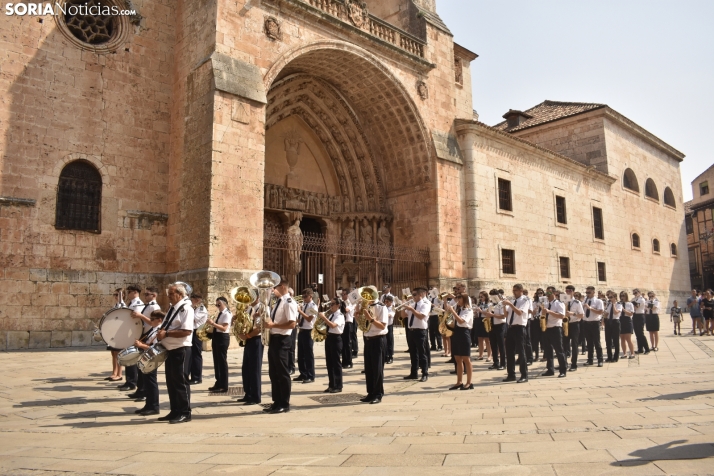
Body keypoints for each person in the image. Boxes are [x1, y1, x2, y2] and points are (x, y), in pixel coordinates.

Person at [156, 283, 194, 424]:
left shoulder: (186, 309)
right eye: (169, 294)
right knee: (171, 382)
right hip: (170, 350)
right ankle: (175, 410)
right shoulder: (174, 308)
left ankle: (185, 412)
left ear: (180, 294)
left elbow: (187, 331)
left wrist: (166, 333)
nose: (169, 297)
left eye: (171, 294)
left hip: (181, 349)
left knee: (180, 382)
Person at [264, 276, 297, 414]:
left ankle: (284, 403)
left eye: (275, 287)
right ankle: (276, 401)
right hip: (275, 339)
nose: (273, 290)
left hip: (283, 339)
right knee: (274, 372)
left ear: (282, 287)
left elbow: (292, 324)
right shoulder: (279, 302)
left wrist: (274, 325)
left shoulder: (289, 302)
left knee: (282, 372)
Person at [127, 287, 161, 400]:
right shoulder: (148, 305)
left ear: (154, 295)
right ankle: (140, 389)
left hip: (149, 336)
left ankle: (143, 391)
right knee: (140, 366)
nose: (145, 296)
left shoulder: (154, 307)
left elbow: (153, 322)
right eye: (145, 294)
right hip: (145, 335)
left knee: (145, 368)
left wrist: (140, 316)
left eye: (147, 294)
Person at [131, 310, 165, 416]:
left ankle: (154, 406)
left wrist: (141, 346)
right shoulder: (154, 328)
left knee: (151, 382)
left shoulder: (159, 330)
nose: (150, 321)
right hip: (147, 357)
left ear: (159, 320)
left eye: (152, 319)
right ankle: (148, 405)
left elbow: (156, 348)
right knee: (147, 382)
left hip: (153, 357)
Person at [359, 294, 389, 404]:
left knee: (377, 368)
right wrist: (359, 314)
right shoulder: (366, 307)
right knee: (369, 368)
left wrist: (370, 319)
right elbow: (361, 323)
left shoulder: (382, 307)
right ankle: (370, 392)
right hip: (368, 339)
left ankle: (378, 394)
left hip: (378, 339)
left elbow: (382, 326)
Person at [236, 292, 264, 405]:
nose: (249, 299)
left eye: (251, 297)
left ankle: (255, 396)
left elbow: (259, 328)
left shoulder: (261, 309)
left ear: (257, 298)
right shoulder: (249, 309)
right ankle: (248, 393)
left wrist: (247, 335)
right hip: (248, 340)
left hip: (256, 340)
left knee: (254, 369)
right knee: (246, 368)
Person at [502, 284, 530, 383]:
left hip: (519, 328)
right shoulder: (513, 301)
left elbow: (519, 312)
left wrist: (510, 304)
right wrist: (504, 306)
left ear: (521, 290)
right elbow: (506, 315)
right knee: (509, 352)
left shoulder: (525, 300)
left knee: (521, 352)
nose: (514, 292)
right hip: (510, 328)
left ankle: (524, 375)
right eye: (513, 290)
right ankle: (511, 374)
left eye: (516, 290)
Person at [446, 293, 474, 390]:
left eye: (459, 298)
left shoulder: (468, 310)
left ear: (464, 299)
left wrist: (453, 312)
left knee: (466, 359)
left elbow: (462, 321)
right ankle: (459, 382)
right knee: (458, 359)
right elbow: (455, 323)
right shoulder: (459, 310)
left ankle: (469, 382)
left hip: (464, 333)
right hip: (457, 333)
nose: (457, 300)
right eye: (457, 298)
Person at [119, 285, 144, 391]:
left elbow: (134, 318)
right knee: (129, 356)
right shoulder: (132, 303)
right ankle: (129, 381)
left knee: (132, 358)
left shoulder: (138, 304)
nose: (128, 295)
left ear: (135, 292)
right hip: (130, 333)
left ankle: (132, 382)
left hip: (134, 333)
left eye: (129, 292)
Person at [402, 287, 430, 382]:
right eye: (412, 295)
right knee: (413, 353)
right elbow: (403, 315)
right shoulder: (413, 304)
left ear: (420, 295)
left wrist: (412, 309)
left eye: (414, 295)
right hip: (411, 331)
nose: (412, 297)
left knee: (422, 353)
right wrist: (403, 306)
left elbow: (421, 316)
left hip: (420, 331)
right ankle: (414, 373)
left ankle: (425, 373)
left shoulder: (425, 304)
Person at [206, 297, 232, 392]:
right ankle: (218, 382)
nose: (217, 307)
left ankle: (224, 385)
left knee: (222, 362)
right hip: (217, 337)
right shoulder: (220, 313)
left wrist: (212, 323)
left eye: (219, 304)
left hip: (222, 338)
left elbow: (224, 328)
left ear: (224, 303)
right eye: (216, 305)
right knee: (216, 361)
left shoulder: (227, 314)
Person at [540, 289, 567, 378]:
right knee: (548, 351)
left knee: (559, 350)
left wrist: (549, 312)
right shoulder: (546, 304)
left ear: (555, 293)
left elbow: (562, 316)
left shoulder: (559, 303)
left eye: (549, 293)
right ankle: (550, 369)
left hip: (556, 329)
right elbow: (542, 315)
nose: (547, 294)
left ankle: (563, 370)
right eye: (546, 293)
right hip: (547, 329)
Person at [320, 299, 345, 394]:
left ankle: (338, 385)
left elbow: (333, 325)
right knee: (329, 363)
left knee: (336, 363)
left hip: (336, 339)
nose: (331, 306)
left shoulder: (340, 316)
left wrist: (323, 318)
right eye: (330, 304)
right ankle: (332, 384)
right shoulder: (331, 314)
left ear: (338, 305)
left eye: (333, 304)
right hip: (329, 338)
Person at [295, 288, 317, 384]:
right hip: (302, 330)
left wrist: (300, 311)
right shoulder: (304, 305)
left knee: (308, 354)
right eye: (303, 296)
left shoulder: (313, 306)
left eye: (305, 296)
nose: (303, 298)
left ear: (310, 296)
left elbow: (309, 319)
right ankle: (303, 373)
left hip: (309, 331)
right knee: (301, 354)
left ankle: (310, 375)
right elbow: (301, 319)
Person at [481, 293, 506, 370]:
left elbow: (503, 316)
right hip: (492, 326)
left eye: (494, 296)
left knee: (501, 345)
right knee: (493, 345)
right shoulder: (491, 304)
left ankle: (503, 363)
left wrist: (492, 315)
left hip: (500, 326)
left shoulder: (501, 304)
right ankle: (495, 362)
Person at [106, 288, 125, 382]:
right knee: (113, 353)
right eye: (114, 295)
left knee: (118, 353)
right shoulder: (115, 305)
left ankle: (119, 373)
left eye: (117, 295)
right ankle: (114, 372)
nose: (115, 297)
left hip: (119, 332)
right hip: (114, 332)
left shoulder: (122, 305)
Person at [188, 292, 208, 385]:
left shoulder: (201, 308)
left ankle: (197, 377)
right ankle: (191, 375)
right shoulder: (195, 308)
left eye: (192, 300)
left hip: (197, 332)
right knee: (191, 355)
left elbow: (194, 318)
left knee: (196, 355)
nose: (191, 302)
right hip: (192, 332)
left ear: (197, 300)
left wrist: (190, 308)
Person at [582, 286, 604, 367]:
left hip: (594, 323)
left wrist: (590, 308)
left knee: (597, 343)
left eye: (589, 292)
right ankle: (590, 359)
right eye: (586, 292)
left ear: (593, 292)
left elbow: (600, 312)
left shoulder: (598, 301)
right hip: (586, 323)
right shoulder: (585, 300)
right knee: (589, 343)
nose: (587, 294)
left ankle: (600, 360)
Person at [564, 287, 584, 371]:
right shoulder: (563, 301)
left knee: (574, 345)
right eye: (567, 290)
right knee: (564, 344)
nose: (568, 292)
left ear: (573, 292)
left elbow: (581, 315)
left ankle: (574, 364)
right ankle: (564, 363)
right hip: (565, 324)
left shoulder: (577, 302)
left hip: (574, 324)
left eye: (570, 291)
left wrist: (573, 314)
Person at [604, 291, 622, 363]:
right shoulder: (608, 304)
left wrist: (614, 304)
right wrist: (604, 320)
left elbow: (615, 312)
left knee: (616, 340)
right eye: (609, 297)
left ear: (615, 297)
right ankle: (609, 356)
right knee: (608, 340)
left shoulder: (619, 304)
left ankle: (616, 357)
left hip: (615, 322)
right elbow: (606, 313)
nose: (609, 298)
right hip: (608, 322)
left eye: (611, 297)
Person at [474, 292, 492, 362]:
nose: (480, 298)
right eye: (480, 297)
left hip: (485, 321)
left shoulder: (489, 304)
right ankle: (480, 355)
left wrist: (481, 311)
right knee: (480, 339)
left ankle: (489, 355)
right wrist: (476, 313)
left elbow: (488, 313)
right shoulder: (479, 304)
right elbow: (478, 314)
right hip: (479, 321)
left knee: (487, 340)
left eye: (482, 297)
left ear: (486, 297)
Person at [632, 289, 650, 354]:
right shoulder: (634, 299)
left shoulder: (641, 299)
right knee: (637, 333)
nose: (635, 294)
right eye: (634, 293)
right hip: (635, 316)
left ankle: (647, 349)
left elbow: (636, 306)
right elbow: (632, 307)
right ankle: (640, 349)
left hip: (640, 316)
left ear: (639, 292)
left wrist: (633, 303)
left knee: (641, 333)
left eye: (636, 293)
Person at [619, 291, 636, 359]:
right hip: (620, 320)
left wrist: (624, 310)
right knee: (622, 338)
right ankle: (624, 353)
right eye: (621, 296)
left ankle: (632, 353)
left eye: (623, 296)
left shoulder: (630, 304)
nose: (622, 297)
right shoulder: (618, 304)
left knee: (628, 338)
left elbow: (631, 314)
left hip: (627, 320)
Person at [340, 289, 354, 369]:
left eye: (344, 294)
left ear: (348, 295)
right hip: (342, 323)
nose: (342, 296)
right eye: (342, 294)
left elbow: (346, 310)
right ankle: (344, 361)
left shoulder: (351, 303)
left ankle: (349, 362)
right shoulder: (342, 302)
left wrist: (340, 305)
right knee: (343, 343)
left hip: (348, 324)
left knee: (348, 343)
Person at [530, 288, 545, 362]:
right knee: (535, 339)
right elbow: (532, 313)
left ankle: (545, 355)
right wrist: (534, 310)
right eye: (538, 293)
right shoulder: (534, 303)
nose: (540, 294)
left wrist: (542, 306)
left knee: (544, 338)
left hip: (543, 320)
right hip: (535, 321)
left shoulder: (546, 302)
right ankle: (536, 355)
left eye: (541, 293)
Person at [428, 287, 444, 352]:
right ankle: (433, 345)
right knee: (431, 332)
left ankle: (440, 345)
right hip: (430, 315)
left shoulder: (438, 297)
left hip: (436, 315)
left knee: (437, 331)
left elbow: (441, 304)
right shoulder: (429, 297)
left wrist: (434, 305)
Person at [384, 295, 395, 364]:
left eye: (387, 301)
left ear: (391, 302)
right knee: (384, 342)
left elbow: (390, 314)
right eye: (385, 301)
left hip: (389, 326)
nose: (386, 303)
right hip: (384, 326)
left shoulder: (393, 308)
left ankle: (390, 356)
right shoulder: (384, 307)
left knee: (390, 341)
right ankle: (385, 356)